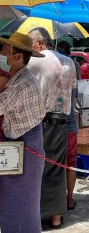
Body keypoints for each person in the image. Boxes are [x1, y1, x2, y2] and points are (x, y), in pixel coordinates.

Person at [27, 27, 77, 229]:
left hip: (41, 119)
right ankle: (57, 216)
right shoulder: (69, 61)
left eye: (30, 43)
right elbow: (73, 91)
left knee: (37, 168)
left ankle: (36, 212)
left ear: (40, 43)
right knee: (57, 168)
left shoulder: (35, 59)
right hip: (62, 120)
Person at [0, 32, 46, 233]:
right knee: (15, 198)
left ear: (17, 57)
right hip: (22, 142)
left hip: (26, 145)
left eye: (4, 51)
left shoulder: (22, 83)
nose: (1, 54)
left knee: (21, 202)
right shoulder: (18, 78)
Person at [57, 40, 79, 211]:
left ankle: (53, 204)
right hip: (69, 122)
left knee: (52, 163)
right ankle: (69, 199)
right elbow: (76, 99)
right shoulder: (73, 66)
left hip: (51, 124)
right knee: (70, 164)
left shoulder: (43, 65)